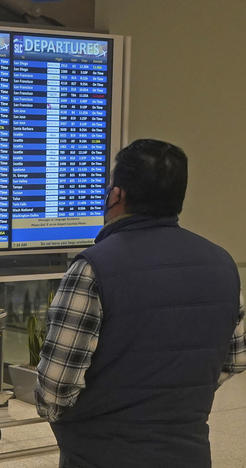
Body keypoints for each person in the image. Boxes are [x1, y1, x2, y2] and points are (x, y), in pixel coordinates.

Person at [35, 139, 245, 467]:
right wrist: (179, 399)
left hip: (99, 454)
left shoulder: (92, 268)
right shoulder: (222, 264)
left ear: (117, 195)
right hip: (189, 453)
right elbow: (236, 358)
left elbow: (54, 390)